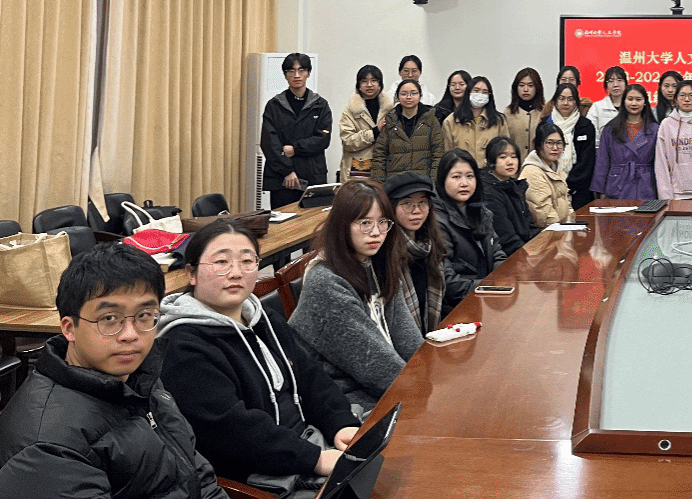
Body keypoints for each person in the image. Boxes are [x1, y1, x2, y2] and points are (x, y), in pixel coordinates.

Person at [0, 242, 226, 498]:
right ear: (69, 328)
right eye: (109, 319)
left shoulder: (140, 380)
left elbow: (199, 477)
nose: (130, 334)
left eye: (144, 315)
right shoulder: (47, 447)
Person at [157, 219, 360, 487]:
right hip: (259, 475)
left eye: (246, 261)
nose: (236, 273)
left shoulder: (264, 320)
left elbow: (311, 376)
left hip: (309, 444)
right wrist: (315, 459)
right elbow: (231, 431)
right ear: (191, 273)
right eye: (221, 262)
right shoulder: (183, 346)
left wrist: (340, 423)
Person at [288, 180, 423, 413]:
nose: (376, 232)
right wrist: (425, 392)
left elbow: (408, 340)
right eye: (365, 223)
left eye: (383, 222)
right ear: (342, 225)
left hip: (378, 387)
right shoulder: (326, 281)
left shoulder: (377, 265)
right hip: (342, 401)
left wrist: (430, 374)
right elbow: (374, 364)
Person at [430, 149, 507, 310]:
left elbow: (496, 253)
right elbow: (447, 280)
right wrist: (489, 286)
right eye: (456, 177)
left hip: (484, 296)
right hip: (455, 306)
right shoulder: (436, 220)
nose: (464, 183)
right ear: (442, 180)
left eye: (470, 176)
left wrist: (504, 278)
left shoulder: (480, 211)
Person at [260, 52, 333, 207]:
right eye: (291, 71)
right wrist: (286, 171)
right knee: (284, 219)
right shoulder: (274, 105)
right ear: (285, 75)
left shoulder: (320, 105)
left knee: (314, 219)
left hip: (312, 175)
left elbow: (323, 139)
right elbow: (269, 143)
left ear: (308, 73)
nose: (297, 75)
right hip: (281, 179)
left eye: (301, 70)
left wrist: (295, 149)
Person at [384, 172, 448, 332]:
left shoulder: (429, 244)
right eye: (407, 203)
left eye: (422, 203)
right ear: (391, 207)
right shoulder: (385, 251)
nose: (417, 211)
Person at [371, 77, 444, 184]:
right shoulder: (390, 120)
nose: (408, 97)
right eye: (404, 94)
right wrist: (380, 185)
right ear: (397, 97)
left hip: (423, 182)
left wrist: (433, 182)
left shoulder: (431, 120)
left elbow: (438, 154)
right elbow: (380, 155)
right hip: (395, 182)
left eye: (413, 93)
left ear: (420, 95)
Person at [591, 84, 659, 200]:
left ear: (645, 102)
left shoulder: (655, 129)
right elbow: (602, 161)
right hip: (617, 184)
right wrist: (600, 190)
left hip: (646, 185)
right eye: (630, 99)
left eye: (638, 99)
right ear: (623, 101)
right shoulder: (611, 129)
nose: (634, 103)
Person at [481, 136, 541, 256]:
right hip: (509, 255)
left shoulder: (513, 185)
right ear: (491, 161)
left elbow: (529, 227)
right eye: (503, 157)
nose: (510, 162)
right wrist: (531, 255)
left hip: (525, 247)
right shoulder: (488, 192)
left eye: (514, 157)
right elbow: (506, 238)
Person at [547, 82, 597, 208]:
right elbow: (542, 157)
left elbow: (587, 161)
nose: (565, 103)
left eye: (570, 99)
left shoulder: (586, 126)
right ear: (555, 101)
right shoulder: (546, 125)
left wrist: (568, 183)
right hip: (550, 188)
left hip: (579, 191)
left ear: (576, 102)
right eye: (561, 99)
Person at [520, 123, 576, 226]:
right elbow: (544, 214)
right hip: (548, 231)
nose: (555, 147)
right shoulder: (532, 172)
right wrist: (564, 231)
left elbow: (567, 203)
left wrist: (572, 222)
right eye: (549, 143)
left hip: (562, 228)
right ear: (539, 145)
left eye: (559, 143)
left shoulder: (557, 168)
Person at [339, 63, 386, 182]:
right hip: (358, 166)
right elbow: (348, 141)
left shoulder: (389, 109)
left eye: (374, 80)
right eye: (364, 81)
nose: (369, 85)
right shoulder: (350, 111)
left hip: (383, 166)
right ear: (358, 85)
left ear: (380, 84)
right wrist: (374, 133)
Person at [442, 75, 506, 156]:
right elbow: (448, 152)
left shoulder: (499, 120)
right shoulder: (451, 121)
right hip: (461, 164)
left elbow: (504, 150)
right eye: (476, 91)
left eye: (485, 92)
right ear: (468, 92)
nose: (480, 95)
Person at [503, 67, 545, 157]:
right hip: (514, 163)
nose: (526, 89)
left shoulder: (545, 113)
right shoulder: (507, 114)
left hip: (539, 163)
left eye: (530, 85)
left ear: (537, 88)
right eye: (521, 85)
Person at [584, 66, 628, 142]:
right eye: (611, 81)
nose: (615, 84)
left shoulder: (631, 106)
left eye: (620, 80)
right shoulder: (597, 107)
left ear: (625, 83)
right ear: (606, 85)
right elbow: (590, 133)